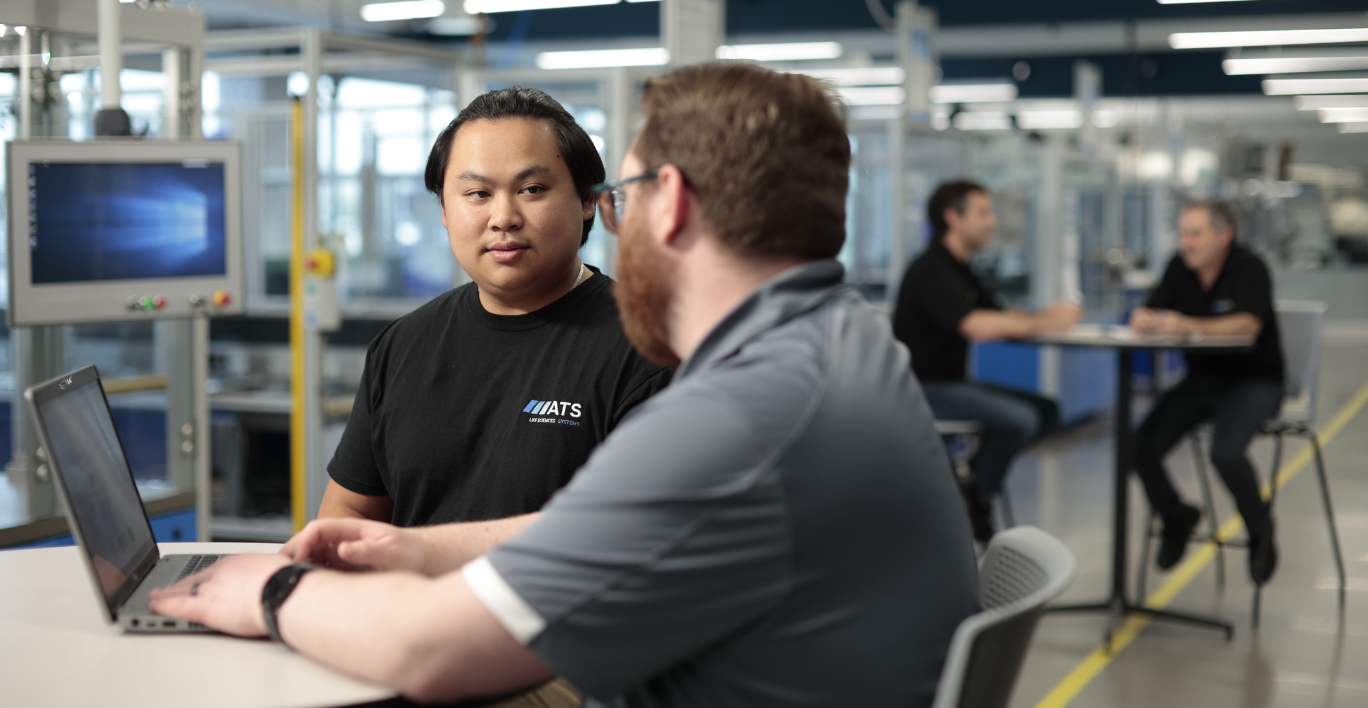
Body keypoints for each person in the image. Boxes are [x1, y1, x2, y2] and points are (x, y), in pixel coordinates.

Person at [150, 63, 979, 708]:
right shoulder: (844, 344)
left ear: (672, 204)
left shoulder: (743, 418)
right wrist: (422, 547)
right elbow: (625, 531)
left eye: (612, 198)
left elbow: (428, 652)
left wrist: (268, 587)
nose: (506, 215)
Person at [320, 86, 670, 527]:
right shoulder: (402, 344)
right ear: (445, 210)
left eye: (532, 188)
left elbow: (635, 535)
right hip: (408, 597)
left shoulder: (648, 347)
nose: (503, 217)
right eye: (478, 194)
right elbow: (350, 510)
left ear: (586, 201)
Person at [892, 180, 1080, 541]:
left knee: (1047, 411)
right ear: (953, 218)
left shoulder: (962, 269)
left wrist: (1045, 315)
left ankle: (972, 484)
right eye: (983, 213)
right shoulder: (931, 270)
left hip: (953, 385)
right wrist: (1044, 322)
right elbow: (977, 325)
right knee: (1021, 420)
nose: (993, 222)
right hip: (924, 390)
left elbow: (998, 314)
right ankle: (975, 495)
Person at [1130, 199, 1283, 584]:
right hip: (1201, 383)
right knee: (1138, 448)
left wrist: (1187, 324)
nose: (1187, 243)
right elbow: (1148, 311)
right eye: (1183, 233)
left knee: (1226, 454)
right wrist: (1146, 318)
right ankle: (1176, 516)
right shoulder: (1180, 268)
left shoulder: (1249, 268)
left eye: (1196, 233)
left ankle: (1260, 531)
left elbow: (1248, 325)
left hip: (1254, 382)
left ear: (1224, 235)